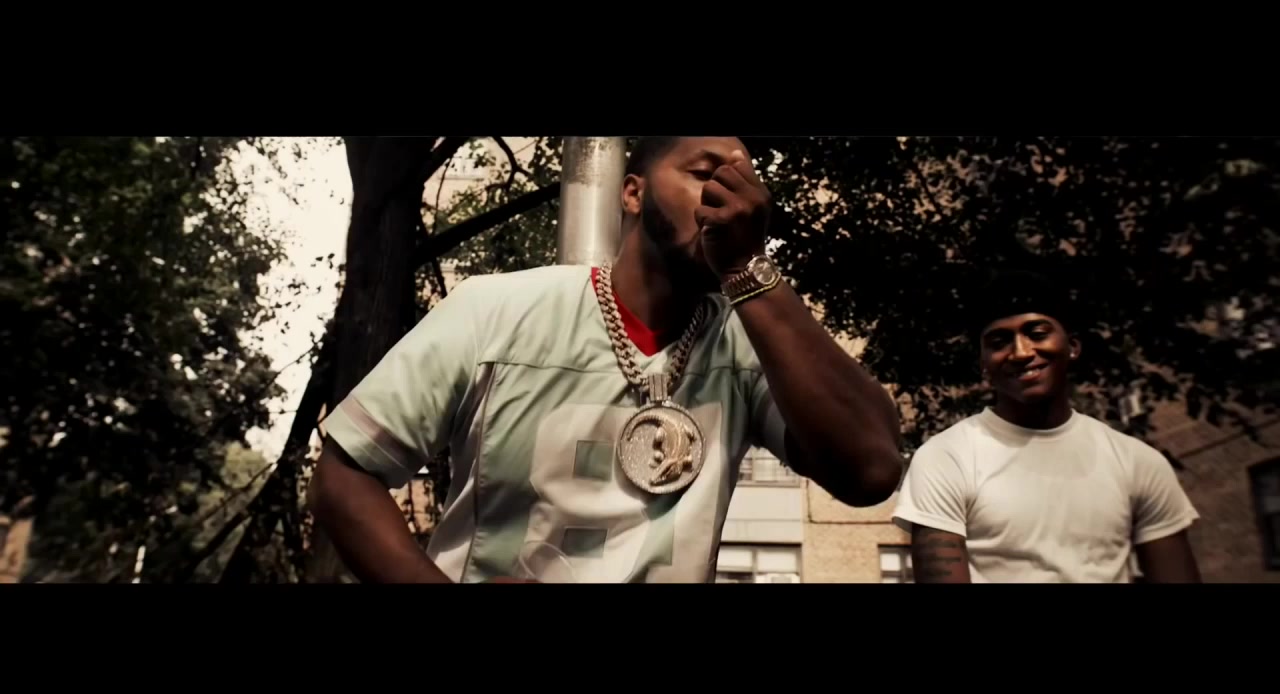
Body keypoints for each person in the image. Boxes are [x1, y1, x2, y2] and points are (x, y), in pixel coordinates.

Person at [308, 136, 903, 583]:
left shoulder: (750, 345)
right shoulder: (494, 311)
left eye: (746, 184)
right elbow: (344, 477)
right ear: (633, 192)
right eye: (705, 175)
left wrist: (749, 269)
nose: (731, 200)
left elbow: (872, 472)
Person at [891, 270, 1202, 583]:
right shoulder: (946, 458)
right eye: (999, 342)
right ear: (983, 365)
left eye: (1037, 334)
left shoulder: (1137, 461)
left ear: (1072, 346)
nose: (1021, 352)